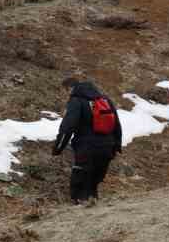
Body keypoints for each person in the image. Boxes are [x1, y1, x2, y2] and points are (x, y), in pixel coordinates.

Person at [52, 77, 123, 205]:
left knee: (80, 185)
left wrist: (58, 148)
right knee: (93, 183)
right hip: (107, 147)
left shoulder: (77, 101)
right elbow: (116, 125)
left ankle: (81, 209)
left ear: (69, 88)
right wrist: (117, 146)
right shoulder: (105, 99)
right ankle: (92, 205)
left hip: (86, 148)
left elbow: (67, 127)